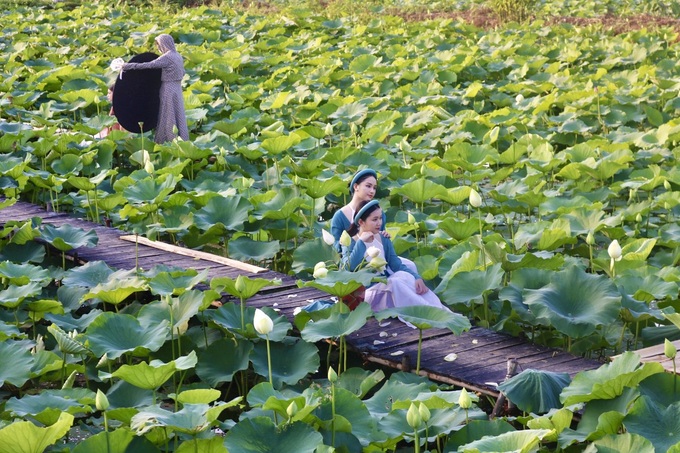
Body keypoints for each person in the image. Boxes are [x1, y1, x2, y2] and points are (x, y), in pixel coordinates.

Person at [347, 200, 451, 314]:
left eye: (380, 218)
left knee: (403, 275)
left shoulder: (383, 238)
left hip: (385, 286)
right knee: (395, 282)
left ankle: (435, 309)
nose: (379, 223)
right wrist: (361, 242)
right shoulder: (351, 242)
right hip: (366, 294)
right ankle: (427, 312)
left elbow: (396, 264)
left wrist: (417, 277)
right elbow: (350, 267)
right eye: (374, 219)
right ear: (361, 222)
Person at [330, 168, 416, 272]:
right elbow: (336, 249)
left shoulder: (378, 213)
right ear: (356, 186)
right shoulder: (339, 216)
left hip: (376, 255)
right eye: (368, 186)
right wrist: (355, 241)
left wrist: (383, 235)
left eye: (374, 188)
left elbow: (378, 236)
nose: (372, 191)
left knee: (410, 265)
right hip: (352, 262)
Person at [122, 33, 189, 144]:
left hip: (168, 88)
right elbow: (183, 72)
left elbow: (149, 65)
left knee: (168, 114)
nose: (158, 47)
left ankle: (168, 140)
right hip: (177, 89)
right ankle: (182, 138)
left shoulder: (167, 57)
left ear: (164, 44)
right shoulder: (178, 56)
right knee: (177, 113)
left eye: (159, 44)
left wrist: (128, 66)